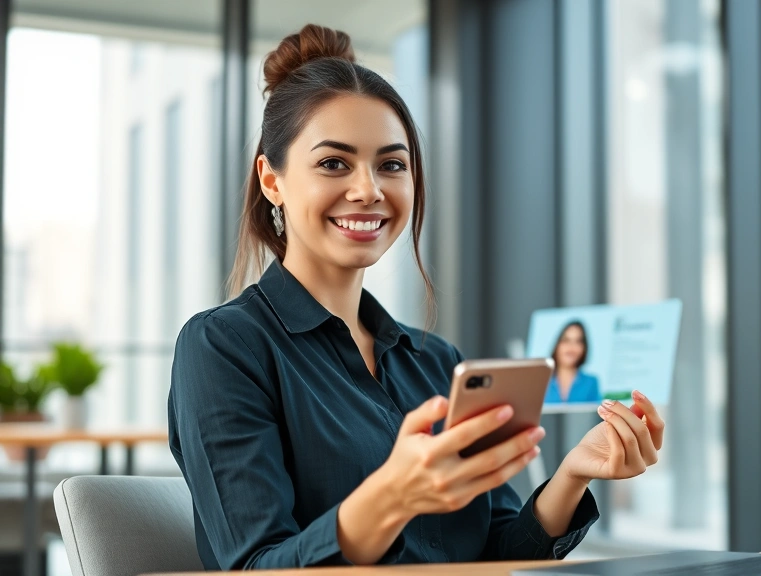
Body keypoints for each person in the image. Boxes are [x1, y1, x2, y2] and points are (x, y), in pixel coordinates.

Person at [168, 24, 665, 570]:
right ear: (272, 179)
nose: (370, 189)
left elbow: (495, 551)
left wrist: (573, 474)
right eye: (334, 163)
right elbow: (255, 567)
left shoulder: (436, 361)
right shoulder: (223, 348)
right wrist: (392, 497)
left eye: (392, 164)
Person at [546, 321, 602, 403]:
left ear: (584, 348)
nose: (571, 347)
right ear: (557, 345)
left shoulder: (591, 382)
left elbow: (595, 413)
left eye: (578, 342)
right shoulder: (541, 382)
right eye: (566, 340)